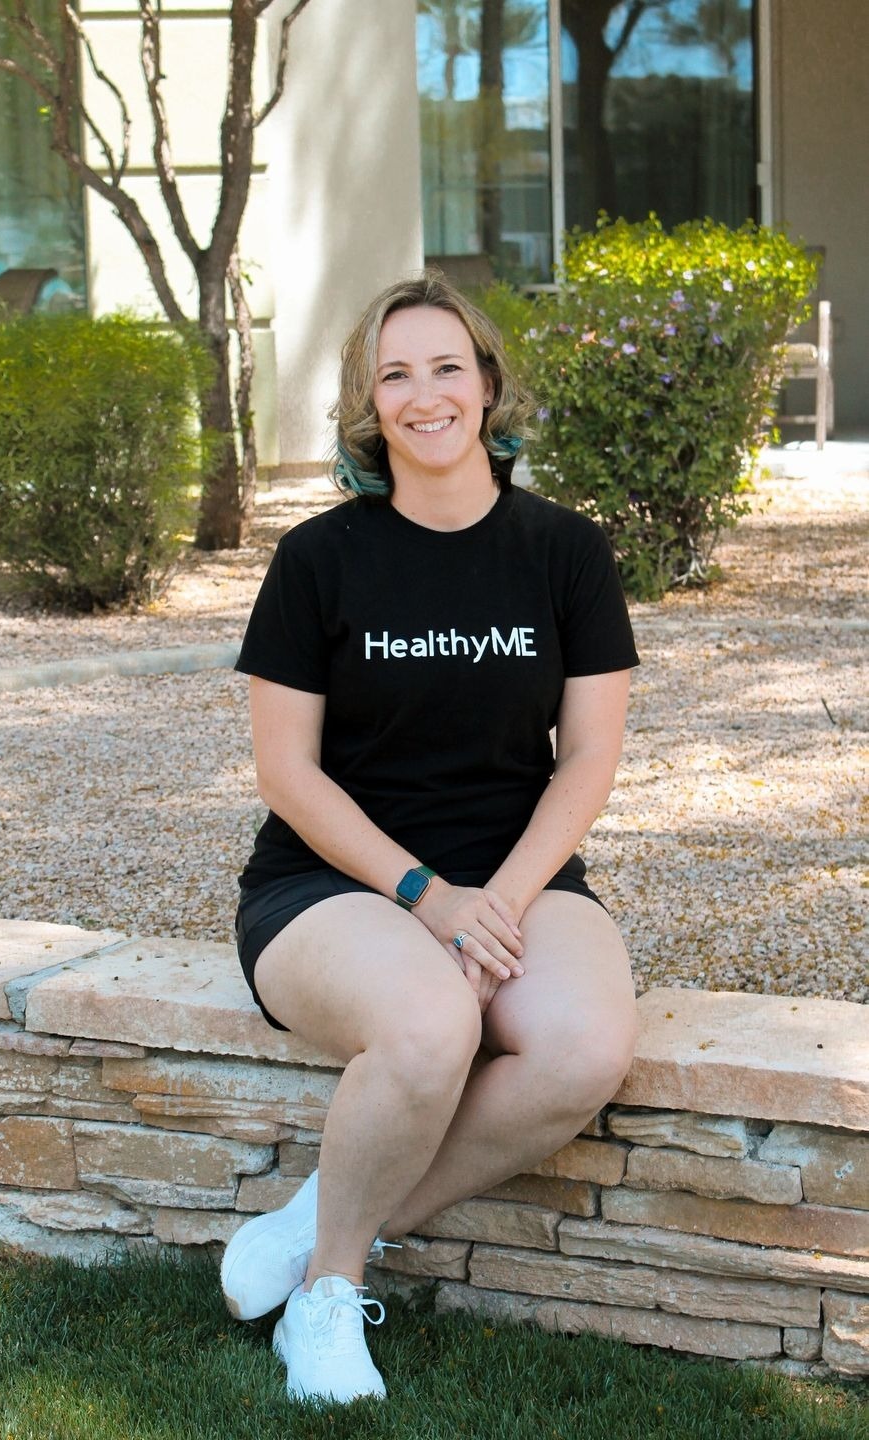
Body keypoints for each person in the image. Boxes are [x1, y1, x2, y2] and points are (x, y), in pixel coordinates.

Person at [222, 272, 639, 1404]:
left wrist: (491, 899)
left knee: (583, 1049)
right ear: (369, 403)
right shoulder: (317, 561)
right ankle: (327, 1299)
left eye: (446, 365)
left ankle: (320, 1217)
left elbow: (589, 758)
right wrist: (426, 895)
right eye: (394, 374)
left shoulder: (564, 551)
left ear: (487, 384)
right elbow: (285, 774)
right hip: (329, 884)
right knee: (427, 1020)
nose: (425, 393)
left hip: (515, 871)